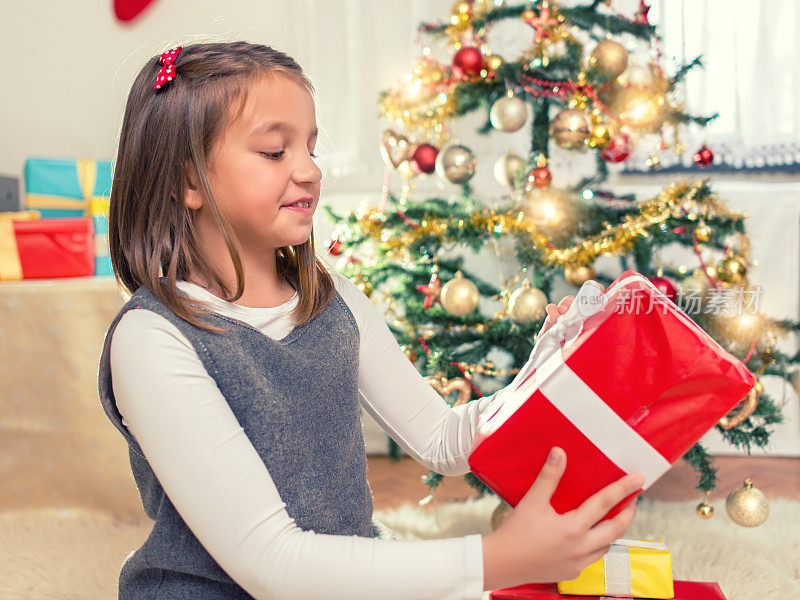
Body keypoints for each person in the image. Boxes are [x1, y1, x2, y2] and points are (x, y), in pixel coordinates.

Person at [98, 41, 643, 600]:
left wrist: (547, 368)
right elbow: (272, 563)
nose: (310, 170)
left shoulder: (332, 302)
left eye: (310, 148)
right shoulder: (152, 339)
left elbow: (442, 439)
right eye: (273, 152)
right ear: (188, 180)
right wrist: (496, 561)